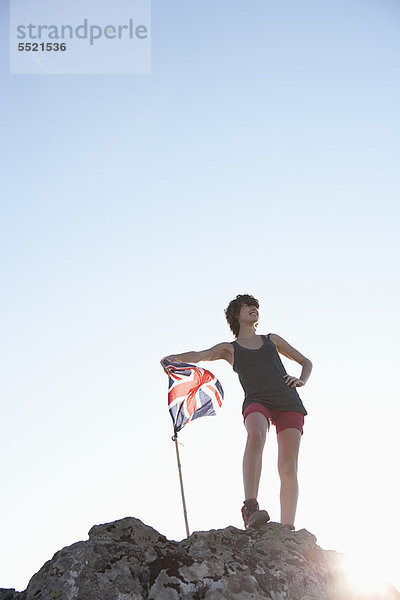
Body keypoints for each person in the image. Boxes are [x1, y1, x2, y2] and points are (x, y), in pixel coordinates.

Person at [160, 293, 313, 531]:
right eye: (247, 306)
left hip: (288, 401)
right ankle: (250, 508)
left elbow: (306, 362)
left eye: (255, 306)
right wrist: (173, 359)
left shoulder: (272, 339)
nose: (253, 309)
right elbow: (200, 355)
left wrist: (301, 380)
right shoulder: (229, 349)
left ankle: (287, 528)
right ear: (236, 315)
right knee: (255, 434)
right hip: (256, 400)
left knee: (288, 464)